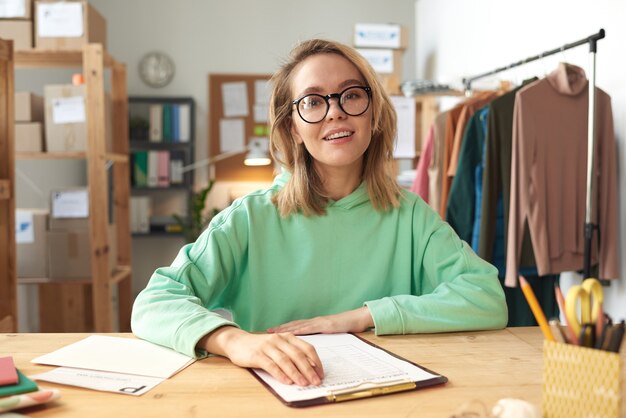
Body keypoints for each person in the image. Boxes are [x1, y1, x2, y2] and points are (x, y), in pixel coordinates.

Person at [131, 38, 507, 388]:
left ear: (372, 113)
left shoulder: (409, 215)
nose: (336, 113)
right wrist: (233, 340)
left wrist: (361, 316)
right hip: (278, 398)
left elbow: (486, 297)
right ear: (291, 127)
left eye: (352, 95)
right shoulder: (251, 218)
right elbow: (154, 302)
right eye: (312, 101)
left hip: (386, 400)